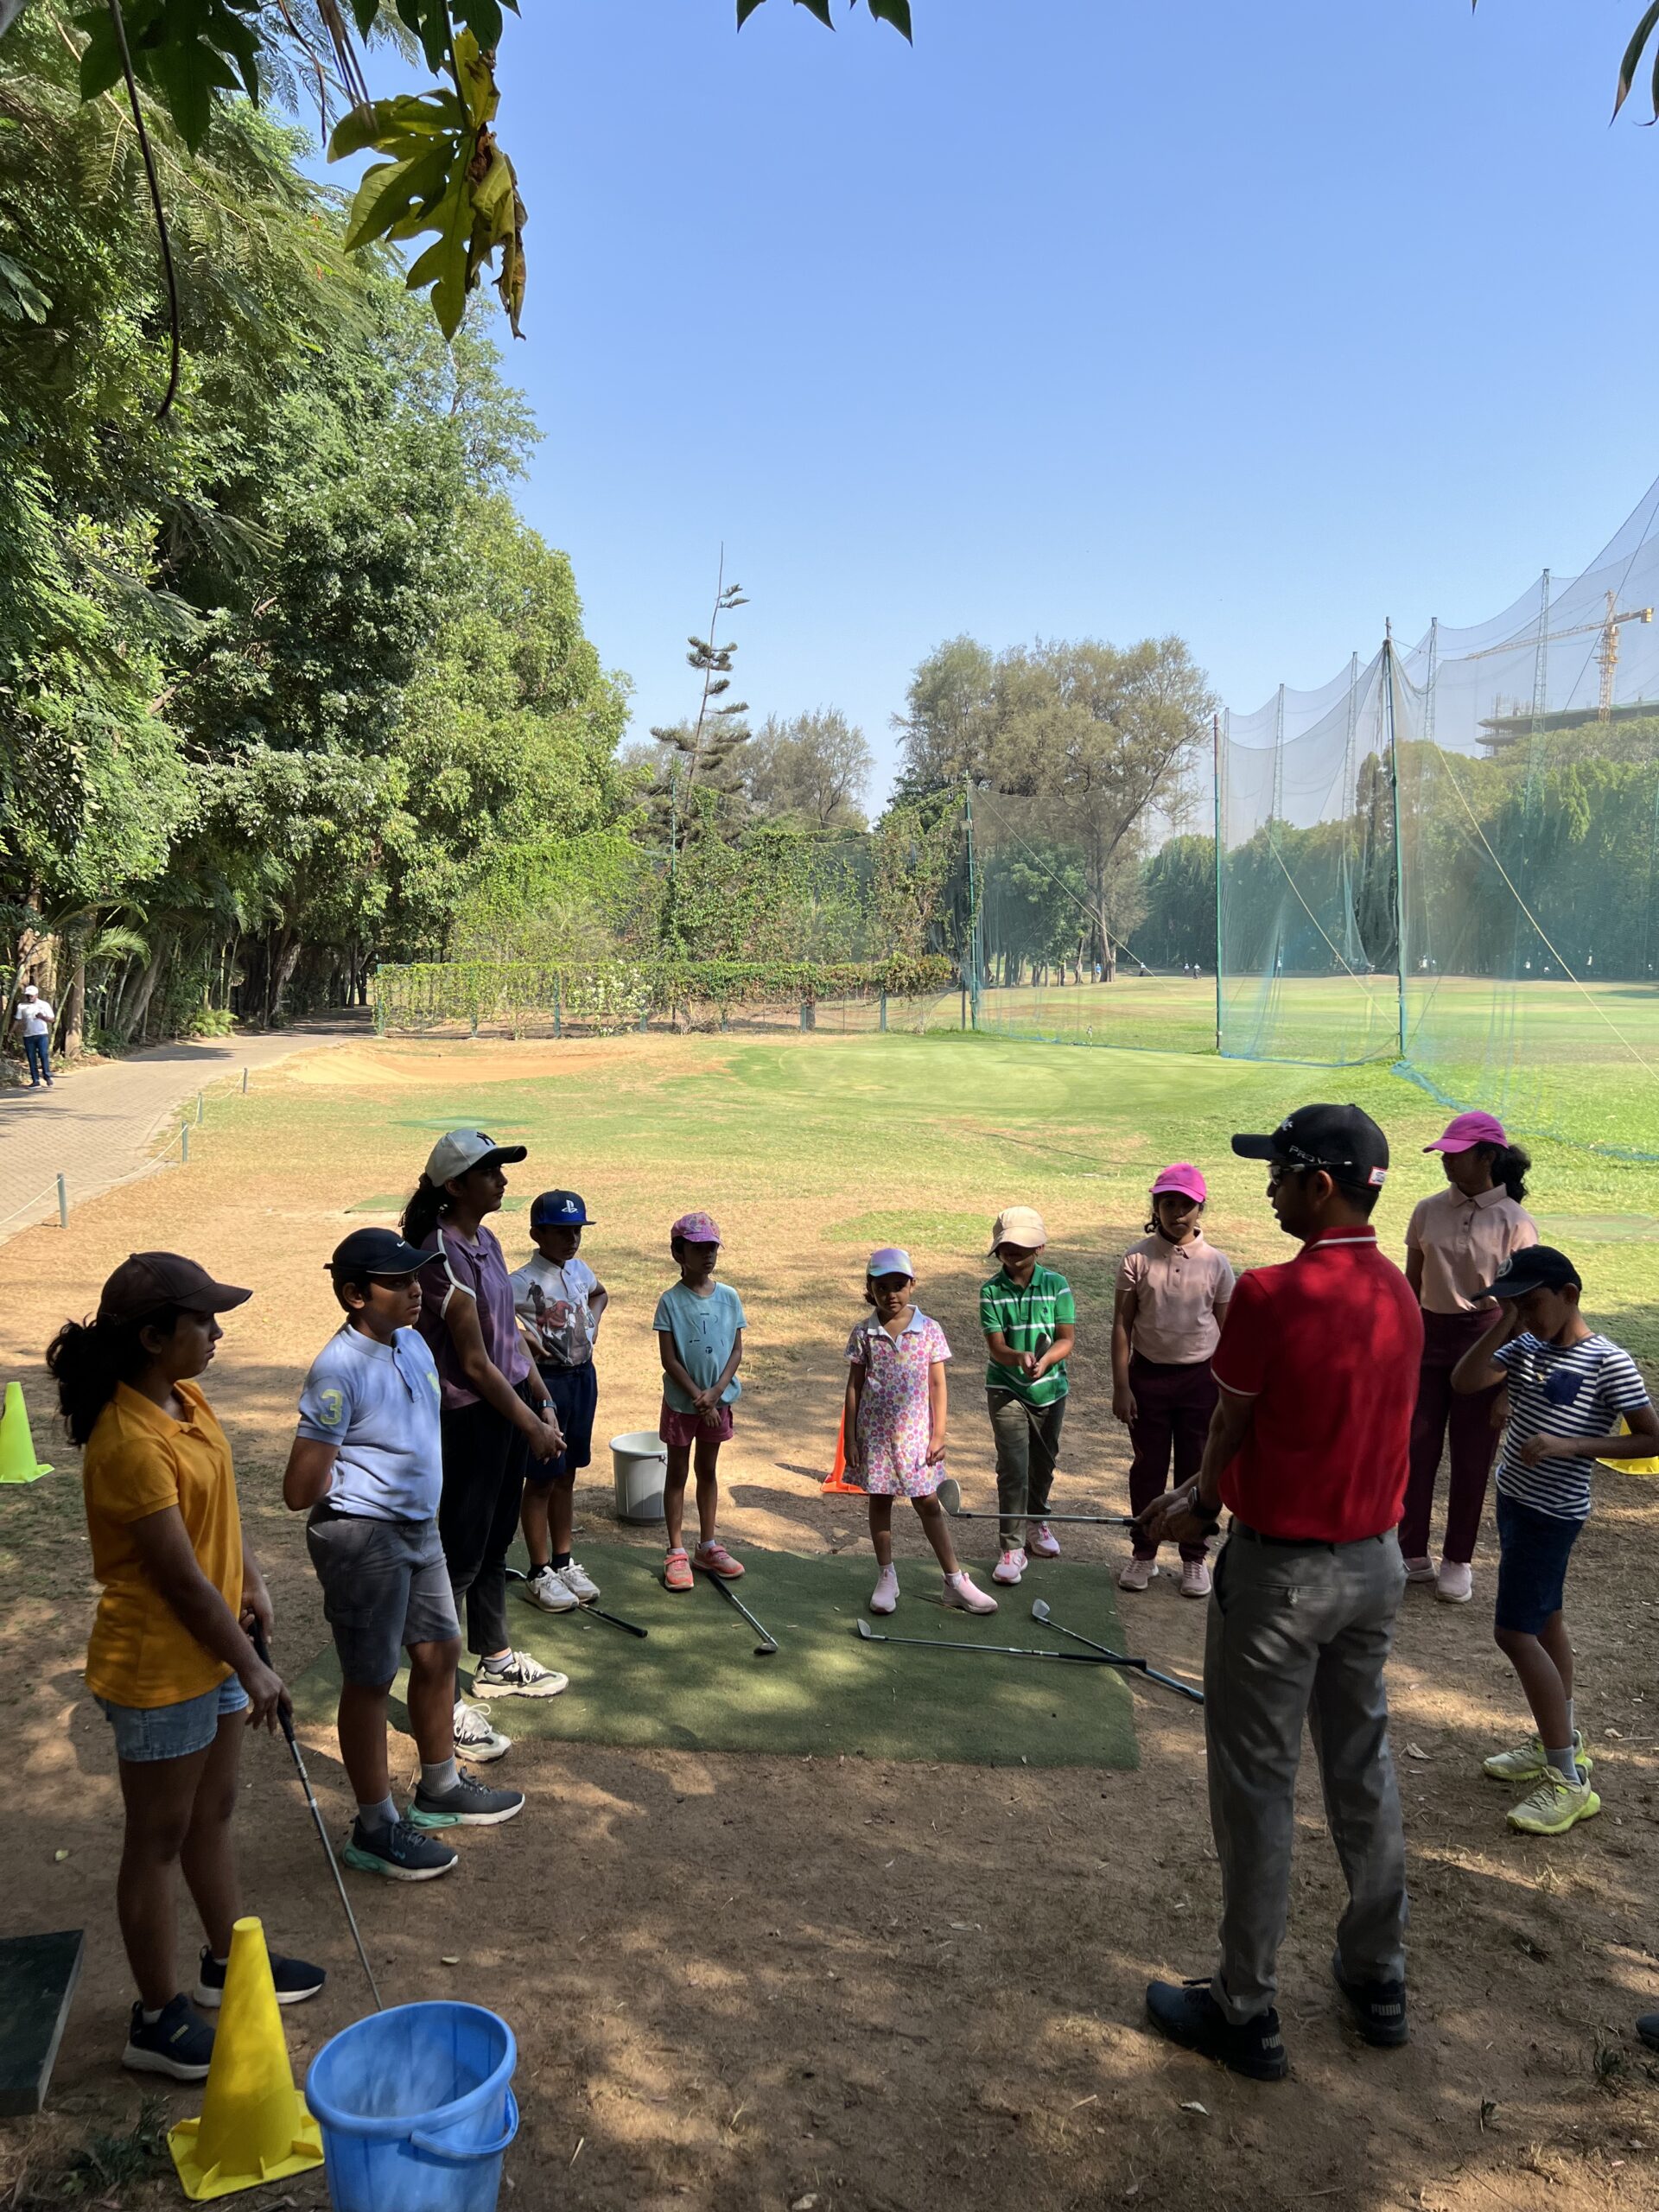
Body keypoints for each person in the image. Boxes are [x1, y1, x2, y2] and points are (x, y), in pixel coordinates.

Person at [1136, 1104, 1422, 2079]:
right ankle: (1378, 1976)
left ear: (1321, 1184)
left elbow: (1230, 1427)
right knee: (1362, 1769)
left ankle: (1245, 2008)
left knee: (1258, 1786)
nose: (1267, 1189)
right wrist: (1204, 1491)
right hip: (1373, 1567)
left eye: (1279, 1174)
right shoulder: (1401, 1293)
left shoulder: (1269, 1292)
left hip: (1282, 1580)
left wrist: (1199, 1504)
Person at [46, 1253, 323, 2080]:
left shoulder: (185, 1400)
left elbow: (217, 1518)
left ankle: (228, 1963)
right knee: (157, 1840)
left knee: (213, 1814)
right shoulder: (128, 1442)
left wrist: (254, 1579)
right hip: (159, 1668)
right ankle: (156, 2018)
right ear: (151, 1336)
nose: (216, 1333)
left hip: (216, 1647)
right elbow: (178, 1581)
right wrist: (253, 1666)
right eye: (201, 1322)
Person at [283, 1227, 524, 1883]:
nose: (416, 1290)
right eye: (398, 1282)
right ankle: (374, 1826)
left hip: (420, 1530)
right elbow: (299, 1490)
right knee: (369, 1679)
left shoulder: (413, 1342)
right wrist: (362, 1489)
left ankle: (439, 1788)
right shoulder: (338, 1370)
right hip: (364, 1537)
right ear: (354, 1295)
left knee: (441, 1652)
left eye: (417, 1277)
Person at [1451, 1245, 1657, 1836]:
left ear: (1570, 1295)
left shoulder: (1608, 1361)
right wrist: (1508, 1322)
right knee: (1546, 1622)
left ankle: (1568, 1778)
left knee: (1513, 1633)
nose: (1524, 1313)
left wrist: (1572, 1446)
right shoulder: (1525, 1346)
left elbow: (1651, 1439)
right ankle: (1555, 1741)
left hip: (1552, 1515)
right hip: (1515, 1501)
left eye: (1532, 1302)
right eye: (1514, 1304)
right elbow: (1465, 1381)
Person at [404, 1129, 567, 1763]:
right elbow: (473, 1362)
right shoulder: (438, 1253)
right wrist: (531, 1425)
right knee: (457, 1555)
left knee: (495, 1541)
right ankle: (441, 1698)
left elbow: (510, 1336)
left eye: (501, 1169)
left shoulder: (487, 1240)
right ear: (454, 1185)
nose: (502, 1180)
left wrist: (541, 1398)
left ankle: (494, 1659)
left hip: (506, 1406)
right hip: (468, 1417)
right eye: (489, 1171)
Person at [1399, 1111, 1538, 1605]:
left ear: (1487, 1157)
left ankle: (1457, 1559)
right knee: (1415, 1448)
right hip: (1427, 1335)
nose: (1447, 1161)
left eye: (1457, 1154)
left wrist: (1509, 1386)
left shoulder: (1516, 1222)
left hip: (1487, 1339)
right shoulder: (1427, 1210)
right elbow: (1411, 1283)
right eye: (1444, 1153)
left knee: (1473, 1455)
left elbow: (1522, 1308)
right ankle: (1411, 1551)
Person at [842, 1247, 997, 1618]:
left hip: (916, 1438)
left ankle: (954, 1580)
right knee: (880, 1500)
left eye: (898, 1285)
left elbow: (938, 1385)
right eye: (881, 1287)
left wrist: (939, 1434)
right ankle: (886, 1575)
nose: (890, 1295)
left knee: (927, 1503)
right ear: (870, 1288)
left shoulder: (929, 1330)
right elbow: (854, 1387)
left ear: (912, 1284)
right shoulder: (864, 1333)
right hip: (875, 1437)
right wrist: (850, 1438)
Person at [1111, 1164, 1235, 1599]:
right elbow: (1123, 1325)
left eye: (1186, 1204)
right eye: (1168, 1203)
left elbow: (1228, 1331)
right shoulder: (1137, 1258)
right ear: (1156, 1207)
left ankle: (1194, 1556)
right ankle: (1143, 1552)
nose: (1177, 1213)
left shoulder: (1216, 1263)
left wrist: (1228, 1392)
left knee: (1197, 1467)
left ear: (1201, 1208)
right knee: (1147, 1466)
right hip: (1148, 1378)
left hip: (1201, 1381)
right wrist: (1122, 1386)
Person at [509, 1190, 607, 1615]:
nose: (572, 1240)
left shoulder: (580, 1270)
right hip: (545, 1384)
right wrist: (521, 1335)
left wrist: (593, 1324)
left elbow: (600, 1294)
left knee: (567, 1473)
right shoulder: (519, 1281)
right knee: (542, 1478)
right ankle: (539, 1569)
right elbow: (489, 1319)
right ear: (537, 1234)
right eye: (562, 1232)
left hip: (583, 1378)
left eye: (577, 1231)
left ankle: (564, 1561)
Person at [978, 1205, 1076, 1586]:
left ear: (1040, 1248)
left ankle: (1037, 1520)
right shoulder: (991, 1291)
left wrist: (1046, 1360)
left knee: (1043, 1463)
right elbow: (996, 1347)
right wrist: (1018, 1357)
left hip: (1051, 1389)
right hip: (1006, 1388)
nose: (1012, 1252)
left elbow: (1065, 1339)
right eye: (1006, 1246)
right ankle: (1012, 1546)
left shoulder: (1057, 1285)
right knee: (1013, 1467)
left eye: (1021, 1245)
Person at [654, 1211, 746, 1590]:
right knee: (677, 1473)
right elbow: (669, 1359)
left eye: (712, 1248)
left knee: (707, 1471)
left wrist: (716, 1393)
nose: (708, 1255)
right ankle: (676, 1551)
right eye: (699, 1248)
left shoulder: (729, 1297)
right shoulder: (670, 1302)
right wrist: (698, 1398)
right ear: (679, 1253)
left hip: (718, 1402)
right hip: (683, 1405)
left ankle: (708, 1545)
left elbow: (736, 1350)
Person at [13, 981, 55, 1087]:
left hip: (41, 1034)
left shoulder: (44, 1005)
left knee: (43, 1055)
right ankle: (35, 1080)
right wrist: (10, 1032)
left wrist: (42, 1017)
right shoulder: (22, 1006)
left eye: (31, 995)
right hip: (28, 1035)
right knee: (31, 1058)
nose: (29, 997)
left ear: (36, 995)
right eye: (28, 995)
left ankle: (47, 1076)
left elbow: (52, 1019)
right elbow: (17, 1020)